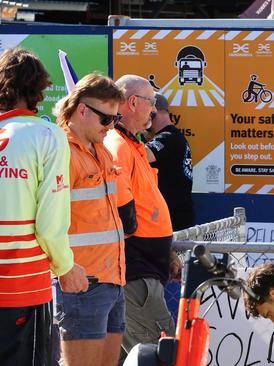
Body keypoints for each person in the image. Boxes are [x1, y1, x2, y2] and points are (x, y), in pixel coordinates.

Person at [0, 48, 88, 365]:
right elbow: (50, 225)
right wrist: (65, 267)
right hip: (21, 287)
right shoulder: (47, 134)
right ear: (39, 88)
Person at [104, 75, 181, 358]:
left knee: (137, 357)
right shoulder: (118, 145)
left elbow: (147, 206)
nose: (153, 109)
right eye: (150, 102)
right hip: (136, 275)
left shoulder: (130, 145)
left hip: (143, 273)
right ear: (133, 102)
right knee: (164, 356)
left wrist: (167, 252)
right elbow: (122, 213)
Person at [53, 73, 126, 366]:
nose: (112, 127)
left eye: (116, 119)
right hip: (83, 283)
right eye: (107, 119)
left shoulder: (101, 151)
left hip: (112, 279)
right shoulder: (62, 152)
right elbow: (49, 220)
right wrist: (66, 269)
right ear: (82, 110)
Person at [144, 93, 195, 231]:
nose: (143, 117)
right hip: (174, 219)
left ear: (154, 112)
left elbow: (142, 155)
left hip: (172, 222)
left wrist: (130, 131)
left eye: (145, 111)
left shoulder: (168, 138)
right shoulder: (173, 136)